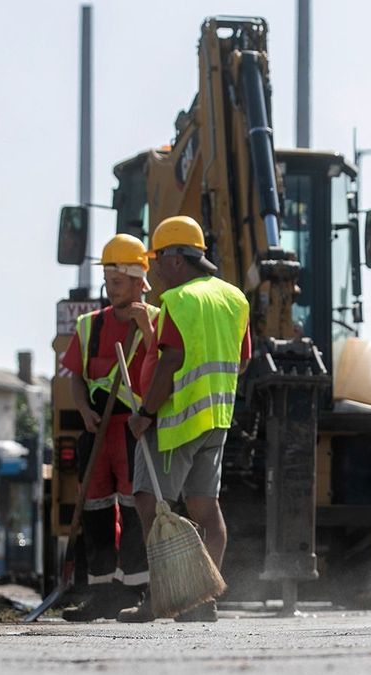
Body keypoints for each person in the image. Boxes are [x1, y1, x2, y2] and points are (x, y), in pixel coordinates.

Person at [118, 215, 251, 623]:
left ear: (177, 258)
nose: (154, 268)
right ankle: (201, 600)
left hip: (173, 423)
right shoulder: (234, 298)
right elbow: (242, 361)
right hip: (216, 420)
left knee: (148, 502)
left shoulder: (178, 300)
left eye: (158, 258)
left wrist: (145, 413)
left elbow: (171, 359)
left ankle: (165, 598)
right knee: (205, 509)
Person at [59, 234, 158, 621]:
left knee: (136, 510)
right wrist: (82, 408)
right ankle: (100, 592)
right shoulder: (89, 326)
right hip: (97, 431)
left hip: (134, 431)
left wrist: (146, 328)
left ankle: (136, 590)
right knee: (97, 509)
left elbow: (165, 364)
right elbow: (77, 377)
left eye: (117, 282)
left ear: (138, 281)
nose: (110, 289)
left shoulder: (156, 320)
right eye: (108, 282)